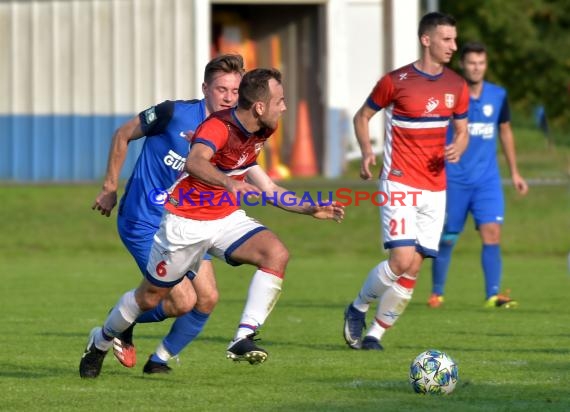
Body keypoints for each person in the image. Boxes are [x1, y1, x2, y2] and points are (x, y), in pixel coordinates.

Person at [80, 68, 345, 378]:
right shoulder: (217, 126)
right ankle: (100, 341)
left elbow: (269, 189)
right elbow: (194, 161)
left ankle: (242, 338)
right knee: (150, 297)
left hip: (224, 220)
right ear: (260, 106)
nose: (284, 107)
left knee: (275, 254)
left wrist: (309, 208)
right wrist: (229, 183)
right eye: (281, 101)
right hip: (184, 224)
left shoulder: (261, 129)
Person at [91, 54, 245, 374]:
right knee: (182, 301)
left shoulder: (233, 134)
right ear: (205, 88)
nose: (229, 97)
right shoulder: (172, 113)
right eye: (221, 89)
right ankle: (119, 321)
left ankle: (157, 360)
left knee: (208, 298)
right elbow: (122, 134)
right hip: (143, 219)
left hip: (188, 222)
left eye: (235, 91)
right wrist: (109, 187)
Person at [342, 12, 469, 351]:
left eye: (454, 40)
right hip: (399, 181)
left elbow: (462, 128)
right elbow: (363, 115)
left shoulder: (456, 85)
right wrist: (367, 151)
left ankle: (375, 335)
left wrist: (459, 144)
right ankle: (358, 307)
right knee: (400, 259)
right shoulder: (396, 81)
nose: (453, 47)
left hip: (436, 187)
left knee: (414, 265)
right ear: (426, 39)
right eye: (446, 39)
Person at [428, 42, 529, 309]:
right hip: (454, 179)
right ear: (462, 64)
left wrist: (515, 172)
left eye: (481, 63)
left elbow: (505, 132)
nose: (476, 67)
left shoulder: (498, 95)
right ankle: (437, 292)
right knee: (448, 236)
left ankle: (492, 296)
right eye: (471, 62)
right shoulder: (449, 95)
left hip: (487, 180)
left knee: (492, 233)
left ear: (486, 65)